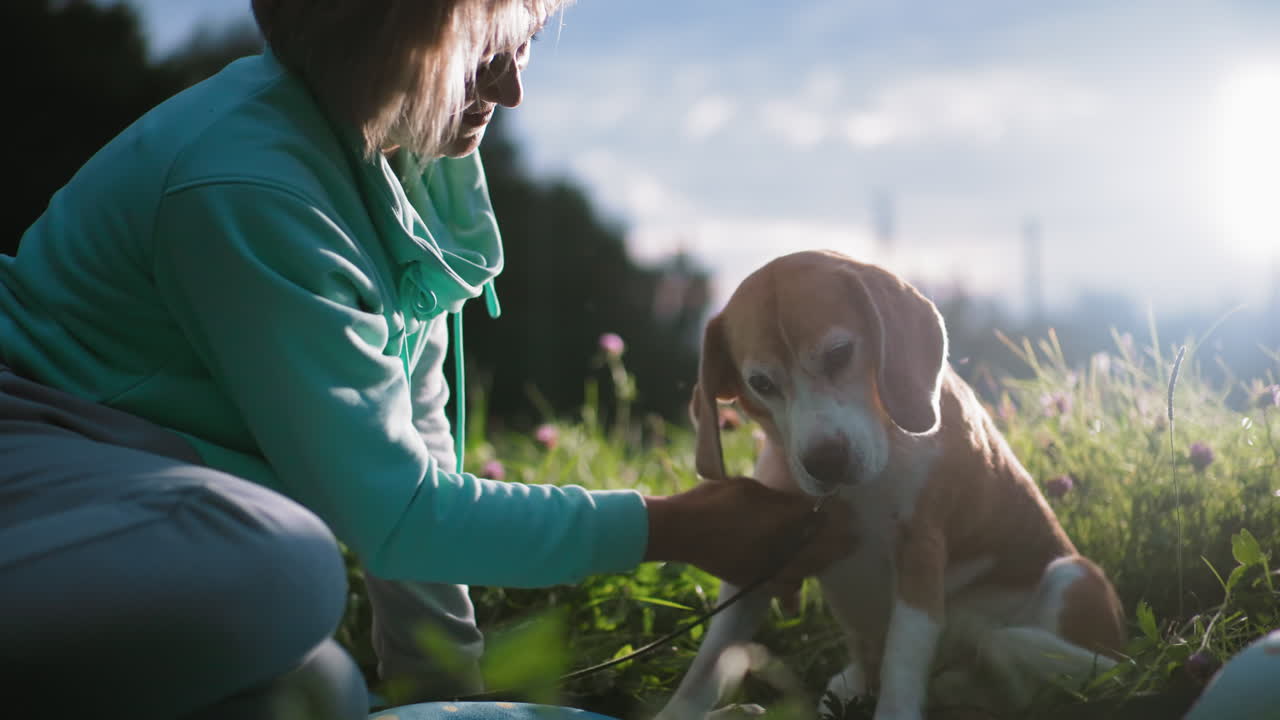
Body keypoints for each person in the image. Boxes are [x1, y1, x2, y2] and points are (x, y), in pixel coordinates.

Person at [0, 1, 855, 718]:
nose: (513, 88)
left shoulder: (409, 160)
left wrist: (445, 691)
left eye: (521, 46)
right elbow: (398, 513)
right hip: (43, 470)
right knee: (281, 565)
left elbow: (416, 456)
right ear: (385, 34)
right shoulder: (249, 190)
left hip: (144, 493)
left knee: (321, 692)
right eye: (484, 51)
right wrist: (673, 525)